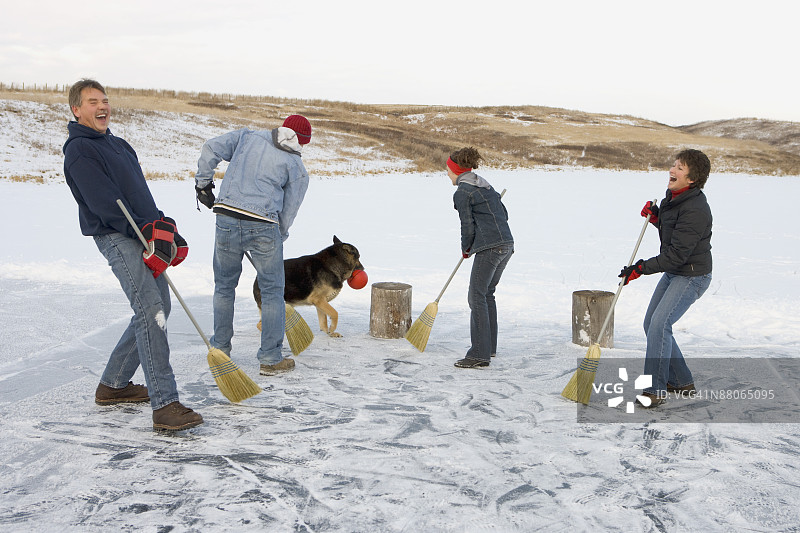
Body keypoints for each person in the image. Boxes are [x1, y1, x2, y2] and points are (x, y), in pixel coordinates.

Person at [62, 79, 203, 431]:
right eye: (92, 101)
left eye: (104, 100)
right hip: (116, 235)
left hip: (141, 232)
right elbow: (105, 204)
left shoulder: (119, 145)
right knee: (150, 310)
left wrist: (164, 227)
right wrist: (145, 230)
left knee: (160, 307)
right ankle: (165, 404)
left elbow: (139, 195)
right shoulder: (79, 150)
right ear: (77, 110)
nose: (102, 106)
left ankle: (114, 385)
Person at [194, 116, 311, 376]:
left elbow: (210, 147)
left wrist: (203, 184)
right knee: (272, 292)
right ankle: (270, 358)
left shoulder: (247, 136)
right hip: (264, 225)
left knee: (224, 287)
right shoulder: (297, 167)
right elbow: (289, 210)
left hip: (226, 218)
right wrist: (278, 236)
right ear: (302, 142)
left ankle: (220, 350)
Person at [619, 149, 713, 408]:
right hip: (677, 270)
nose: (672, 170)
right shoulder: (674, 197)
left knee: (660, 325)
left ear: (692, 179)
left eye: (680, 168)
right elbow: (674, 232)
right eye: (674, 165)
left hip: (692, 275)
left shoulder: (696, 209)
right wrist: (657, 217)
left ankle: (655, 390)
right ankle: (681, 381)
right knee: (652, 324)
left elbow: (677, 254)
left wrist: (640, 268)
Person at [446, 147, 514, 369]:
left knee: (476, 296)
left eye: (448, 170)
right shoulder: (485, 186)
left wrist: (466, 247)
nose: (447, 174)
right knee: (486, 294)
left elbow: (467, 224)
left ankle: (479, 354)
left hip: (490, 248)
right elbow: (504, 215)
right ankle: (489, 347)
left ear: (456, 170)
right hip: (507, 244)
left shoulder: (463, 192)